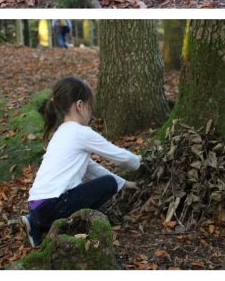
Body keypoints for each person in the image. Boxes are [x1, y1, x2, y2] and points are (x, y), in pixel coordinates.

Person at [20, 76, 140, 247]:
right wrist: (138, 161)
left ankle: (35, 224)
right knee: (108, 183)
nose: (91, 113)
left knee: (109, 182)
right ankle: (70, 224)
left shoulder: (61, 133)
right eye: (90, 107)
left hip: (36, 206)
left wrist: (124, 183)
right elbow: (122, 157)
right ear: (80, 105)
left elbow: (91, 167)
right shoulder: (81, 133)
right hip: (53, 207)